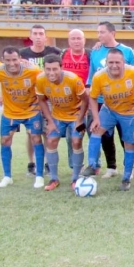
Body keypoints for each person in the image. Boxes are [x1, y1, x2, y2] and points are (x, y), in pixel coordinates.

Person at [82, 48, 134, 190]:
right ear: (106, 63)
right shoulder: (99, 76)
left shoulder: (133, 72)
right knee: (96, 131)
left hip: (130, 112)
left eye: (117, 62)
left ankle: (126, 178)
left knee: (129, 144)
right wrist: (96, 118)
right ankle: (92, 165)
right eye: (111, 62)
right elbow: (93, 97)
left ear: (123, 62)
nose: (114, 65)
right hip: (109, 110)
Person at [88, 21, 134, 178]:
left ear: (113, 33)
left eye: (102, 32)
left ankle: (127, 171)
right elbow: (92, 77)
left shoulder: (127, 51)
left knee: (126, 136)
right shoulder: (95, 51)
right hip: (104, 101)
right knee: (104, 135)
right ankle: (111, 167)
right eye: (98, 32)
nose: (99, 35)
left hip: (126, 103)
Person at [0, 47, 45, 189]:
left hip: (31, 111)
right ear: (3, 60)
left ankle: (39, 176)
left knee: (36, 139)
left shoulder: (33, 70)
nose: (12, 63)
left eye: (14, 59)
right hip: (10, 112)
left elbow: (43, 84)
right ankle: (7, 176)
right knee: (5, 141)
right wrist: (2, 95)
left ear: (20, 58)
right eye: (8, 60)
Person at [35, 54, 89, 191]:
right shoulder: (41, 80)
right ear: (44, 69)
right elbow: (41, 100)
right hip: (57, 116)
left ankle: (75, 178)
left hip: (76, 115)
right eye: (48, 69)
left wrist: (79, 120)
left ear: (61, 67)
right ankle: (54, 179)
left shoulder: (73, 80)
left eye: (54, 69)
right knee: (51, 141)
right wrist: (50, 121)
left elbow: (86, 100)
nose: (51, 73)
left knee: (76, 142)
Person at [19, 25, 61, 176]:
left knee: (46, 131)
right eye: (35, 34)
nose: (38, 36)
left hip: (48, 97)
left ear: (45, 37)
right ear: (30, 36)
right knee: (31, 132)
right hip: (29, 98)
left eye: (41, 34)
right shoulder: (22, 54)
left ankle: (46, 162)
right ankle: (32, 162)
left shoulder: (54, 52)